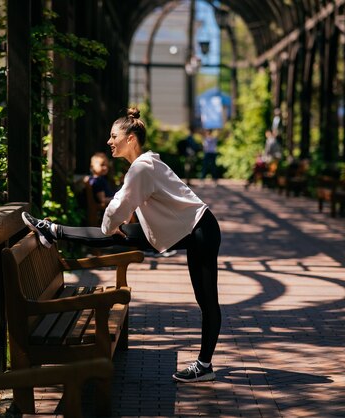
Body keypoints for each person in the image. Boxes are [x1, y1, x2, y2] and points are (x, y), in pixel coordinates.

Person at [22, 108, 222, 383]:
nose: (109, 141)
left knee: (207, 300)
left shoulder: (141, 167)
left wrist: (112, 226)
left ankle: (205, 365)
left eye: (113, 136)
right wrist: (116, 226)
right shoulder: (144, 165)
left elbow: (115, 210)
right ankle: (53, 230)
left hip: (200, 230)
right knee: (120, 235)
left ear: (130, 139)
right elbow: (128, 205)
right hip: (192, 229)